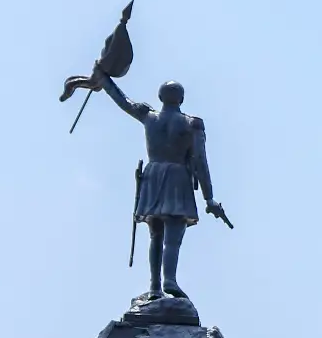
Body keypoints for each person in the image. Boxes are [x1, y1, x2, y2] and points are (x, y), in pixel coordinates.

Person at [95, 75, 226, 303]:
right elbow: (200, 161)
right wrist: (209, 198)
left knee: (155, 234)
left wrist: (104, 79)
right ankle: (169, 280)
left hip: (153, 175)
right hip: (177, 177)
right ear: (182, 99)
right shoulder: (192, 123)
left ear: (159, 97)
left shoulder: (148, 116)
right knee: (173, 236)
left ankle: (155, 286)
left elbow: (123, 100)